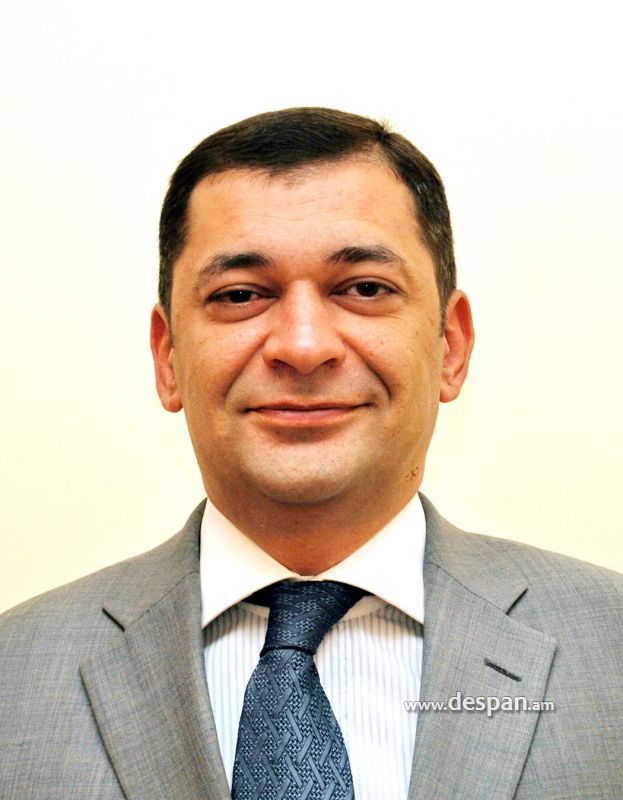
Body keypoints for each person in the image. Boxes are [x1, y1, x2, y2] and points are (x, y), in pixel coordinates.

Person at [0, 107, 621, 800]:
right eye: (240, 295)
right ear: (167, 356)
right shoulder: (13, 676)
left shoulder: (612, 646)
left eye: (364, 289)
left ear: (450, 346)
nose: (302, 346)